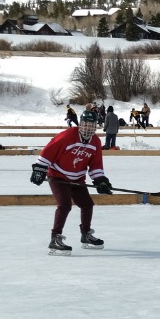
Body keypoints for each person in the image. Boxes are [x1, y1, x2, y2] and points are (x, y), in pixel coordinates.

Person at [30, 107, 112, 254]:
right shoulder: (67, 135)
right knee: (65, 205)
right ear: (80, 124)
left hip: (77, 178)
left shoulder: (96, 142)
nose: (88, 128)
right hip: (58, 176)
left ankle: (86, 234)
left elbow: (95, 165)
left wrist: (101, 180)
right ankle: (55, 238)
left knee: (87, 205)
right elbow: (49, 150)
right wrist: (40, 169)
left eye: (92, 125)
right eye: (86, 124)